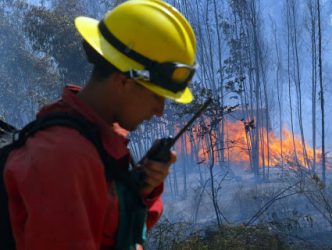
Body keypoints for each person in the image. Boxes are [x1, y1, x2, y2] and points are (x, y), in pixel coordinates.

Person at [3, 0, 196, 249]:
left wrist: (140, 187)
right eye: (156, 96)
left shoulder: (100, 142)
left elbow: (112, 234)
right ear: (124, 82)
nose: (160, 111)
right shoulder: (65, 157)